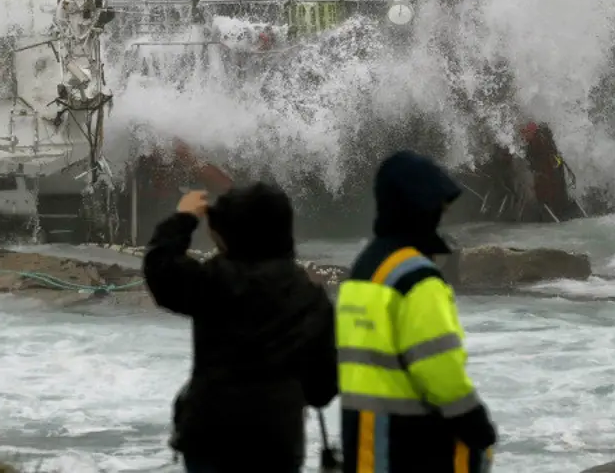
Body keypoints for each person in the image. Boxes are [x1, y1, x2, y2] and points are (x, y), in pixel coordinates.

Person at [143, 183, 338, 472]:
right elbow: (322, 388)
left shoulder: (215, 282)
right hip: (277, 443)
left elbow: (161, 269)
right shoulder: (310, 297)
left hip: (211, 439)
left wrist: (183, 218)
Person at [337, 150, 497, 472]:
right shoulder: (416, 278)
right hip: (410, 448)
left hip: (364, 446)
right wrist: (477, 425)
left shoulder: (363, 270)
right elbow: (439, 370)